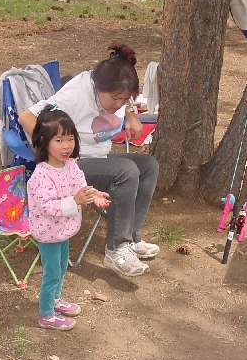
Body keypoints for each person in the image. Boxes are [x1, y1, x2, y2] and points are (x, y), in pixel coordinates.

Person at [19, 42, 160, 278]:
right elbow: (27, 117)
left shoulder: (116, 89)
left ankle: (131, 238)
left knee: (149, 166)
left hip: (98, 156)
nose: (119, 104)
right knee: (126, 170)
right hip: (73, 166)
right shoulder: (76, 95)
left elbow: (123, 101)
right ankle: (117, 249)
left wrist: (130, 115)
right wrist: (55, 153)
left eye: (124, 99)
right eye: (115, 99)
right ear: (98, 87)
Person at [27, 105, 110, 331]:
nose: (66, 146)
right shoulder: (41, 175)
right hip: (48, 233)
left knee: (62, 267)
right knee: (52, 273)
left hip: (63, 231)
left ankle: (55, 299)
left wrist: (94, 195)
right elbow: (47, 207)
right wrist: (75, 201)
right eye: (59, 140)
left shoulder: (70, 165)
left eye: (70, 139)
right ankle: (46, 314)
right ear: (43, 141)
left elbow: (80, 185)